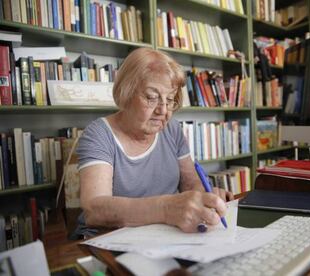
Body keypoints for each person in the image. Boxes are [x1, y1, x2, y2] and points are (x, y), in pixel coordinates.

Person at [74, 48, 233, 237]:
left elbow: (191, 184)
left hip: (165, 235)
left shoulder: (172, 129)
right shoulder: (99, 134)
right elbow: (95, 209)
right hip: (110, 239)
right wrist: (167, 209)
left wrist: (204, 198)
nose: (163, 110)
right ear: (126, 92)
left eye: (170, 99)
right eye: (152, 97)